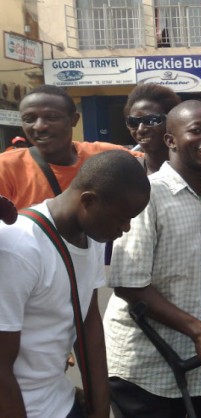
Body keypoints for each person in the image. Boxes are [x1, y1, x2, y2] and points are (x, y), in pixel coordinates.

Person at [103, 101, 201, 417]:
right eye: (197, 130)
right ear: (171, 140)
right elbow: (128, 285)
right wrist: (200, 331)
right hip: (142, 369)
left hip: (185, 366)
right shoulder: (149, 195)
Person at [0, 150, 150, 418]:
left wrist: (100, 407)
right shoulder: (19, 247)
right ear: (88, 201)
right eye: (122, 217)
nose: (126, 228)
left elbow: (88, 323)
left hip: (62, 402)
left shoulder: (89, 236)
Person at [0, 85, 138, 210]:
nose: (39, 126)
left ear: (74, 119)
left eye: (52, 117)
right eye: (29, 119)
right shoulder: (6, 167)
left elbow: (152, 166)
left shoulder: (104, 156)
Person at [123, 83, 181, 175]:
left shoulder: (194, 170)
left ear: (172, 120)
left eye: (151, 120)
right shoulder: (128, 173)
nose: (141, 129)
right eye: (133, 122)